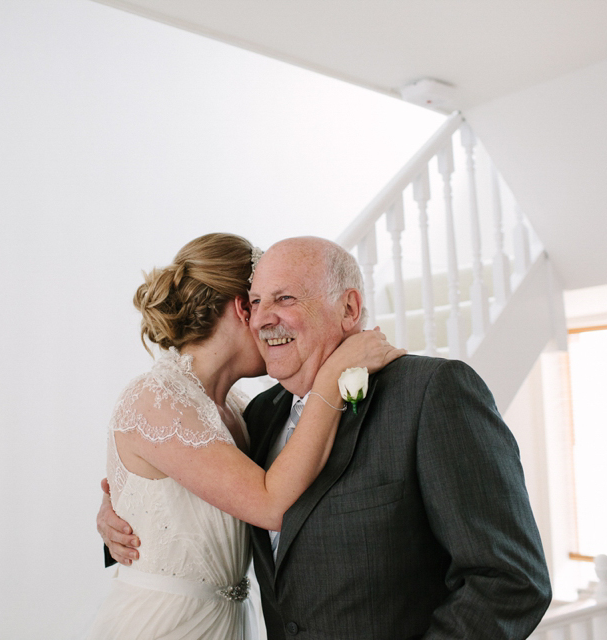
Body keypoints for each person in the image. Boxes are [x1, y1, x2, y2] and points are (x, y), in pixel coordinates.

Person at [101, 235, 553, 639]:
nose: (262, 318)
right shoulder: (257, 416)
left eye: (285, 298)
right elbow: (191, 502)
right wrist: (117, 517)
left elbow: (510, 580)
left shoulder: (431, 394)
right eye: (255, 301)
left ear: (350, 310)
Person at [87, 233, 404, 640]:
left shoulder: (241, 408)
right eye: (260, 303)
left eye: (284, 300)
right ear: (243, 309)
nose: (270, 324)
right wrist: (332, 375)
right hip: (164, 625)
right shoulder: (156, 398)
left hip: (226, 624)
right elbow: (270, 503)